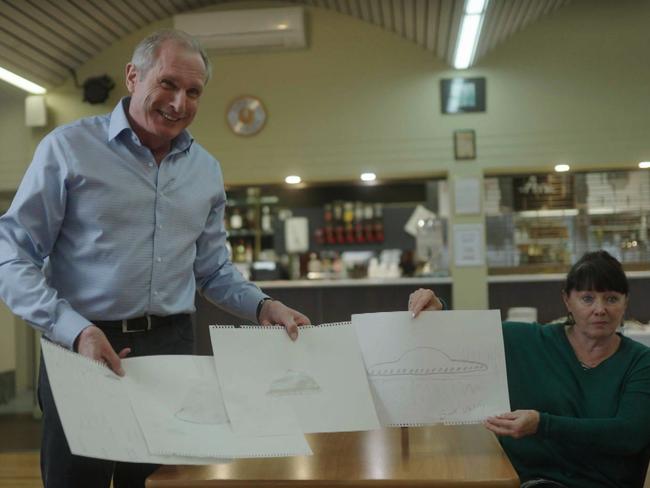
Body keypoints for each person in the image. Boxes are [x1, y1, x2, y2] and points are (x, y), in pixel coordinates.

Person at [0, 29, 310, 488]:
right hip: (81, 344)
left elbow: (213, 270)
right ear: (133, 76)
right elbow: (11, 256)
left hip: (169, 349)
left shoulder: (205, 170)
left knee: (154, 482)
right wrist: (75, 330)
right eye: (167, 84)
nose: (179, 102)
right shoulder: (67, 149)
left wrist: (264, 306)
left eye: (193, 92)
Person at [408, 250, 650, 488]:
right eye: (587, 298)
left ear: (625, 302)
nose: (600, 309)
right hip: (534, 482)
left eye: (611, 299)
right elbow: (467, 335)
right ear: (567, 300)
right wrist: (437, 310)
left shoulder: (640, 361)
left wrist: (541, 424)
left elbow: (629, 435)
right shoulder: (528, 341)